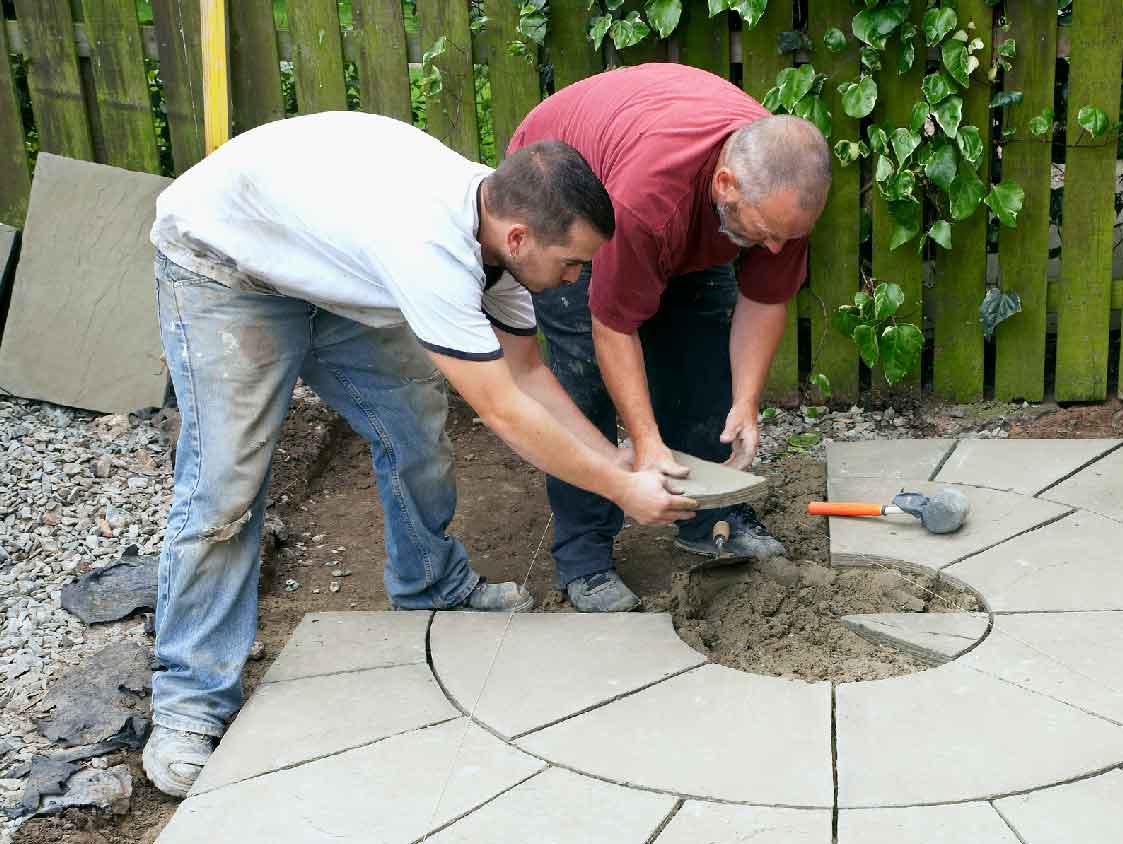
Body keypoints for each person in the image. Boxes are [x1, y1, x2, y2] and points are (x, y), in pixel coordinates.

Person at [141, 111, 697, 796]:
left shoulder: (503, 247)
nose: (579, 278)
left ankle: (432, 584)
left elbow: (528, 375)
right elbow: (501, 409)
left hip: (331, 264)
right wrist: (622, 494)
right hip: (228, 268)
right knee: (225, 485)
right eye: (573, 262)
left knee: (414, 428)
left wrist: (624, 466)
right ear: (520, 236)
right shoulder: (428, 249)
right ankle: (190, 703)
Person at [507, 63, 832, 612]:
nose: (776, 250)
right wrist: (646, 440)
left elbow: (765, 299)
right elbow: (613, 325)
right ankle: (584, 554)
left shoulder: (781, 196)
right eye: (767, 234)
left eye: (788, 237)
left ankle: (709, 519)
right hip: (565, 198)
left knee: (702, 354)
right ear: (726, 185)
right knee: (582, 379)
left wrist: (747, 402)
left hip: (678, 204)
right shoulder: (647, 202)